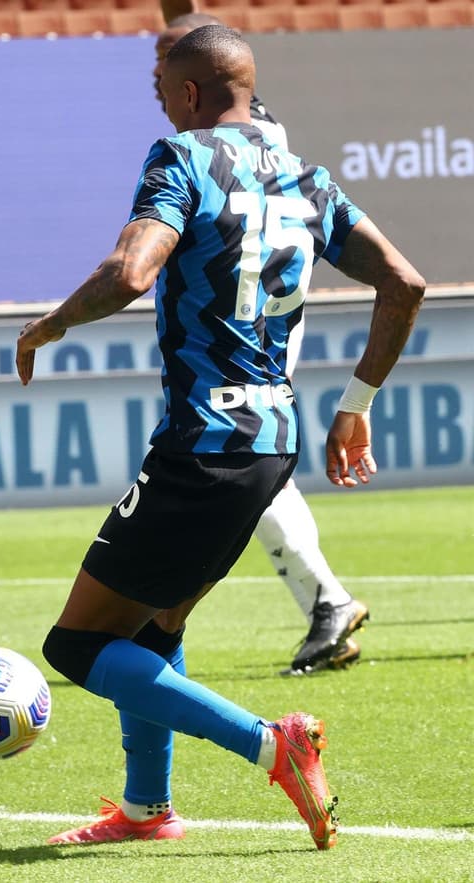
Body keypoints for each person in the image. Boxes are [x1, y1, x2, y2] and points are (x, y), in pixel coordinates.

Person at [16, 26, 423, 848]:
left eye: (162, 84)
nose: (158, 98)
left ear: (192, 94)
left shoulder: (181, 160)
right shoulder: (308, 182)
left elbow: (133, 271)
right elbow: (403, 281)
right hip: (271, 444)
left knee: (79, 643)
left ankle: (274, 744)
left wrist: (52, 323)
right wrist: (358, 401)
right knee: (156, 626)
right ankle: (146, 808)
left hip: (202, 442)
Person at [154, 12, 370, 676]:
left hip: (255, 311)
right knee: (250, 450)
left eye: (164, 61)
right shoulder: (223, 120)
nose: (154, 77)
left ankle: (326, 600)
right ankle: (324, 600)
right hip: (251, 305)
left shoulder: (235, 132)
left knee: (241, 444)